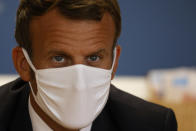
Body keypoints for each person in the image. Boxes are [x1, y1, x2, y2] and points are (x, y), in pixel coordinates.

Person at [0, 0, 177, 131]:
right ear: (23, 64)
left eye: (93, 57)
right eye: (59, 59)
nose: (79, 83)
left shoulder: (151, 125)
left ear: (114, 63)